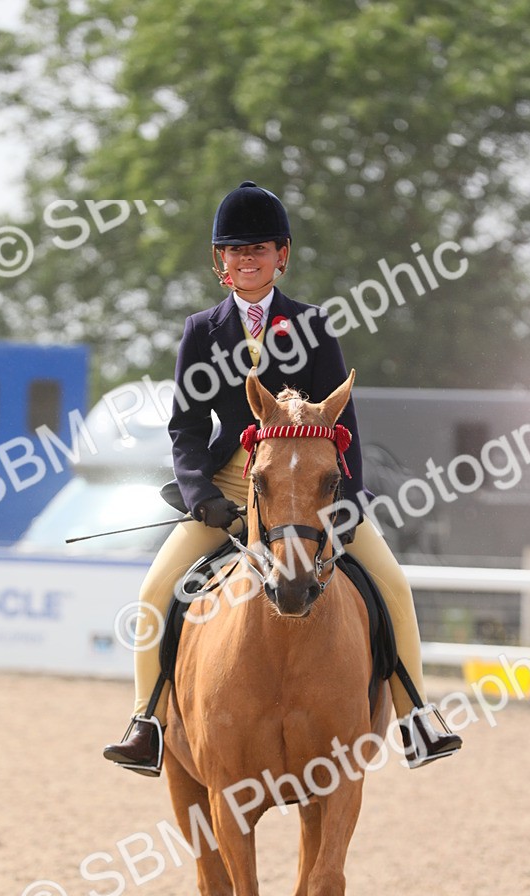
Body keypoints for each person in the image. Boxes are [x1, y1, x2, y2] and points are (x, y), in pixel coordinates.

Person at [103, 181, 462, 774]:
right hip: (231, 488)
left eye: (260, 249)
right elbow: (186, 430)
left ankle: (415, 716)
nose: (248, 260)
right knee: (153, 594)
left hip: (312, 493)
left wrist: (345, 499)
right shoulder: (201, 332)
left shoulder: (313, 325)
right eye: (236, 251)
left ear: (281, 256)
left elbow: (343, 421)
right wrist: (200, 499)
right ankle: (149, 722)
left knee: (392, 586)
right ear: (221, 260)